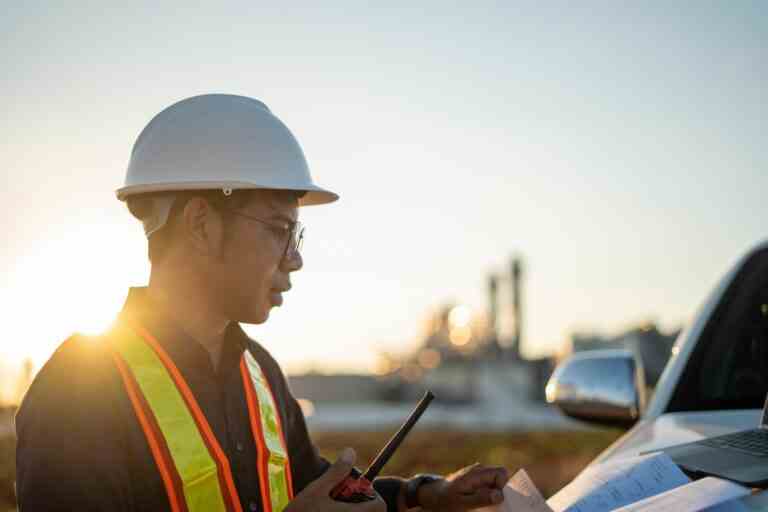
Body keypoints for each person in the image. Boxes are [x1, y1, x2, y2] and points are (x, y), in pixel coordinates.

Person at [15, 94, 510, 512]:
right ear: (202, 224)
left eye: (297, 236)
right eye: (278, 230)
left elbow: (310, 490)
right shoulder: (77, 392)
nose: (294, 260)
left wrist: (424, 496)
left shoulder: (259, 373)